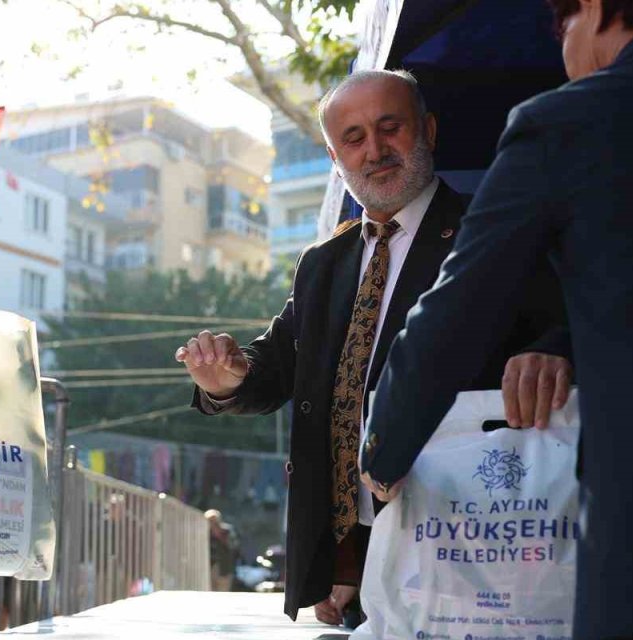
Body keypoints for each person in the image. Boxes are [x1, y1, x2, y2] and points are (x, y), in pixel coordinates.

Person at [360, 1, 633, 637]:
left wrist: (383, 451)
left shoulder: (563, 124)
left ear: (590, 7)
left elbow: (454, 315)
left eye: (560, 26)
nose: (563, 47)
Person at [174, 70, 573, 625]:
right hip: (351, 560)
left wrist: (554, 351)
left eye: (390, 127)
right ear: (335, 158)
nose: (375, 150)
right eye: (354, 138)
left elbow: (570, 325)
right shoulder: (322, 263)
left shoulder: (489, 232)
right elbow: (277, 366)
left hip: (467, 547)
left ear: (428, 130)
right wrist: (228, 380)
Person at [205, 509, 240, 592]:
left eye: (214, 521)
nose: (212, 523)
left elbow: (234, 546)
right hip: (210, 567)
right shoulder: (205, 532)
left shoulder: (227, 531)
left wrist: (220, 536)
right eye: (210, 521)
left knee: (223, 591)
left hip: (225, 567)